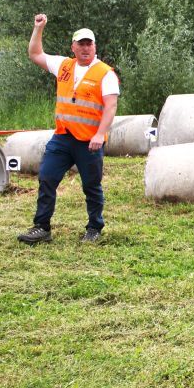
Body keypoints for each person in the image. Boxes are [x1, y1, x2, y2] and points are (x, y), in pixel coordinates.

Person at [17, 14, 119, 244]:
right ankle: (42, 227)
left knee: (91, 186)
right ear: (73, 47)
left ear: (95, 47)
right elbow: (35, 54)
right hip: (63, 137)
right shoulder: (63, 65)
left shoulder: (105, 73)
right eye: (81, 44)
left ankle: (94, 228)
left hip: (89, 141)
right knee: (46, 177)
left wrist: (100, 134)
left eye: (89, 44)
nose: (85, 48)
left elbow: (111, 106)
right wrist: (38, 28)